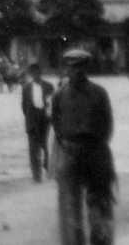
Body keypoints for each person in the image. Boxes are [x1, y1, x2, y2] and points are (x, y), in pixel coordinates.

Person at [51, 47, 116, 245]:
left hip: (96, 151)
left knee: (101, 204)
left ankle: (101, 241)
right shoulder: (59, 95)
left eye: (81, 67)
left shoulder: (99, 93)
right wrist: (67, 146)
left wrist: (97, 146)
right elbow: (57, 125)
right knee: (70, 207)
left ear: (87, 68)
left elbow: (107, 124)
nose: (76, 71)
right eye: (72, 68)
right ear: (67, 69)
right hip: (70, 152)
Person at [21, 61, 56, 183]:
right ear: (31, 74)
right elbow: (24, 106)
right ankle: (36, 174)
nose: (36, 75)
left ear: (41, 73)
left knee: (46, 146)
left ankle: (48, 169)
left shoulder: (49, 86)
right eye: (33, 73)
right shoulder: (26, 88)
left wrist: (48, 116)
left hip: (45, 119)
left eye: (38, 73)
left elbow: (53, 103)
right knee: (33, 148)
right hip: (32, 120)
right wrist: (30, 116)